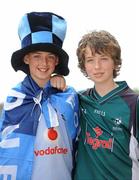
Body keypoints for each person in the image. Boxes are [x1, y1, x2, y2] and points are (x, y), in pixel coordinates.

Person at [0, 12, 79, 180]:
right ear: (26, 58)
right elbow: (5, 142)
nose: (44, 63)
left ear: (57, 61)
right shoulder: (16, 98)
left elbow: (79, 139)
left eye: (50, 57)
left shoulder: (69, 95)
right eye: (37, 56)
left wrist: (54, 84)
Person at [73, 30, 139, 180]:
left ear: (115, 62)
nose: (97, 66)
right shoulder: (78, 99)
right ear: (84, 66)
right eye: (90, 60)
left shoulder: (133, 104)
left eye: (103, 59)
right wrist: (56, 77)